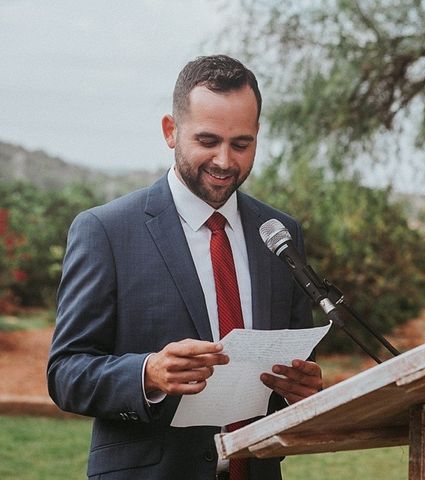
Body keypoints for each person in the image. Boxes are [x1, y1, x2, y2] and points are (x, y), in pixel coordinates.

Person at [47, 54, 323, 480]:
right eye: (208, 140)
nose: (225, 161)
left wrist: (297, 390)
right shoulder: (105, 231)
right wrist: (147, 374)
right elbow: (66, 372)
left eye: (241, 144)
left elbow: (290, 366)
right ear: (170, 131)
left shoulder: (279, 231)